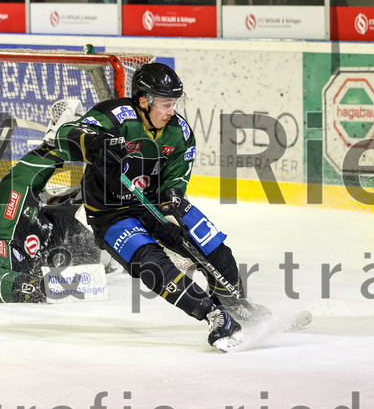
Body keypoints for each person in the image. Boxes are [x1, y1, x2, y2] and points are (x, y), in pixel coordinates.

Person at [49, 63, 268, 352]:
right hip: (110, 213)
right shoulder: (116, 116)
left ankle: (233, 302)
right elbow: (65, 133)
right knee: (152, 264)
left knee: (215, 250)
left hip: (156, 203)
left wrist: (171, 206)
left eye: (174, 103)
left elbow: (176, 176)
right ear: (144, 101)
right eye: (166, 104)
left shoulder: (179, 132)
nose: (172, 111)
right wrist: (94, 143)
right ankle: (215, 315)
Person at [0, 144, 103, 304]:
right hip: (50, 270)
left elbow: (30, 168)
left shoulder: (5, 195)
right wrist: (31, 287)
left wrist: (67, 144)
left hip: (65, 232)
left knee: (94, 196)